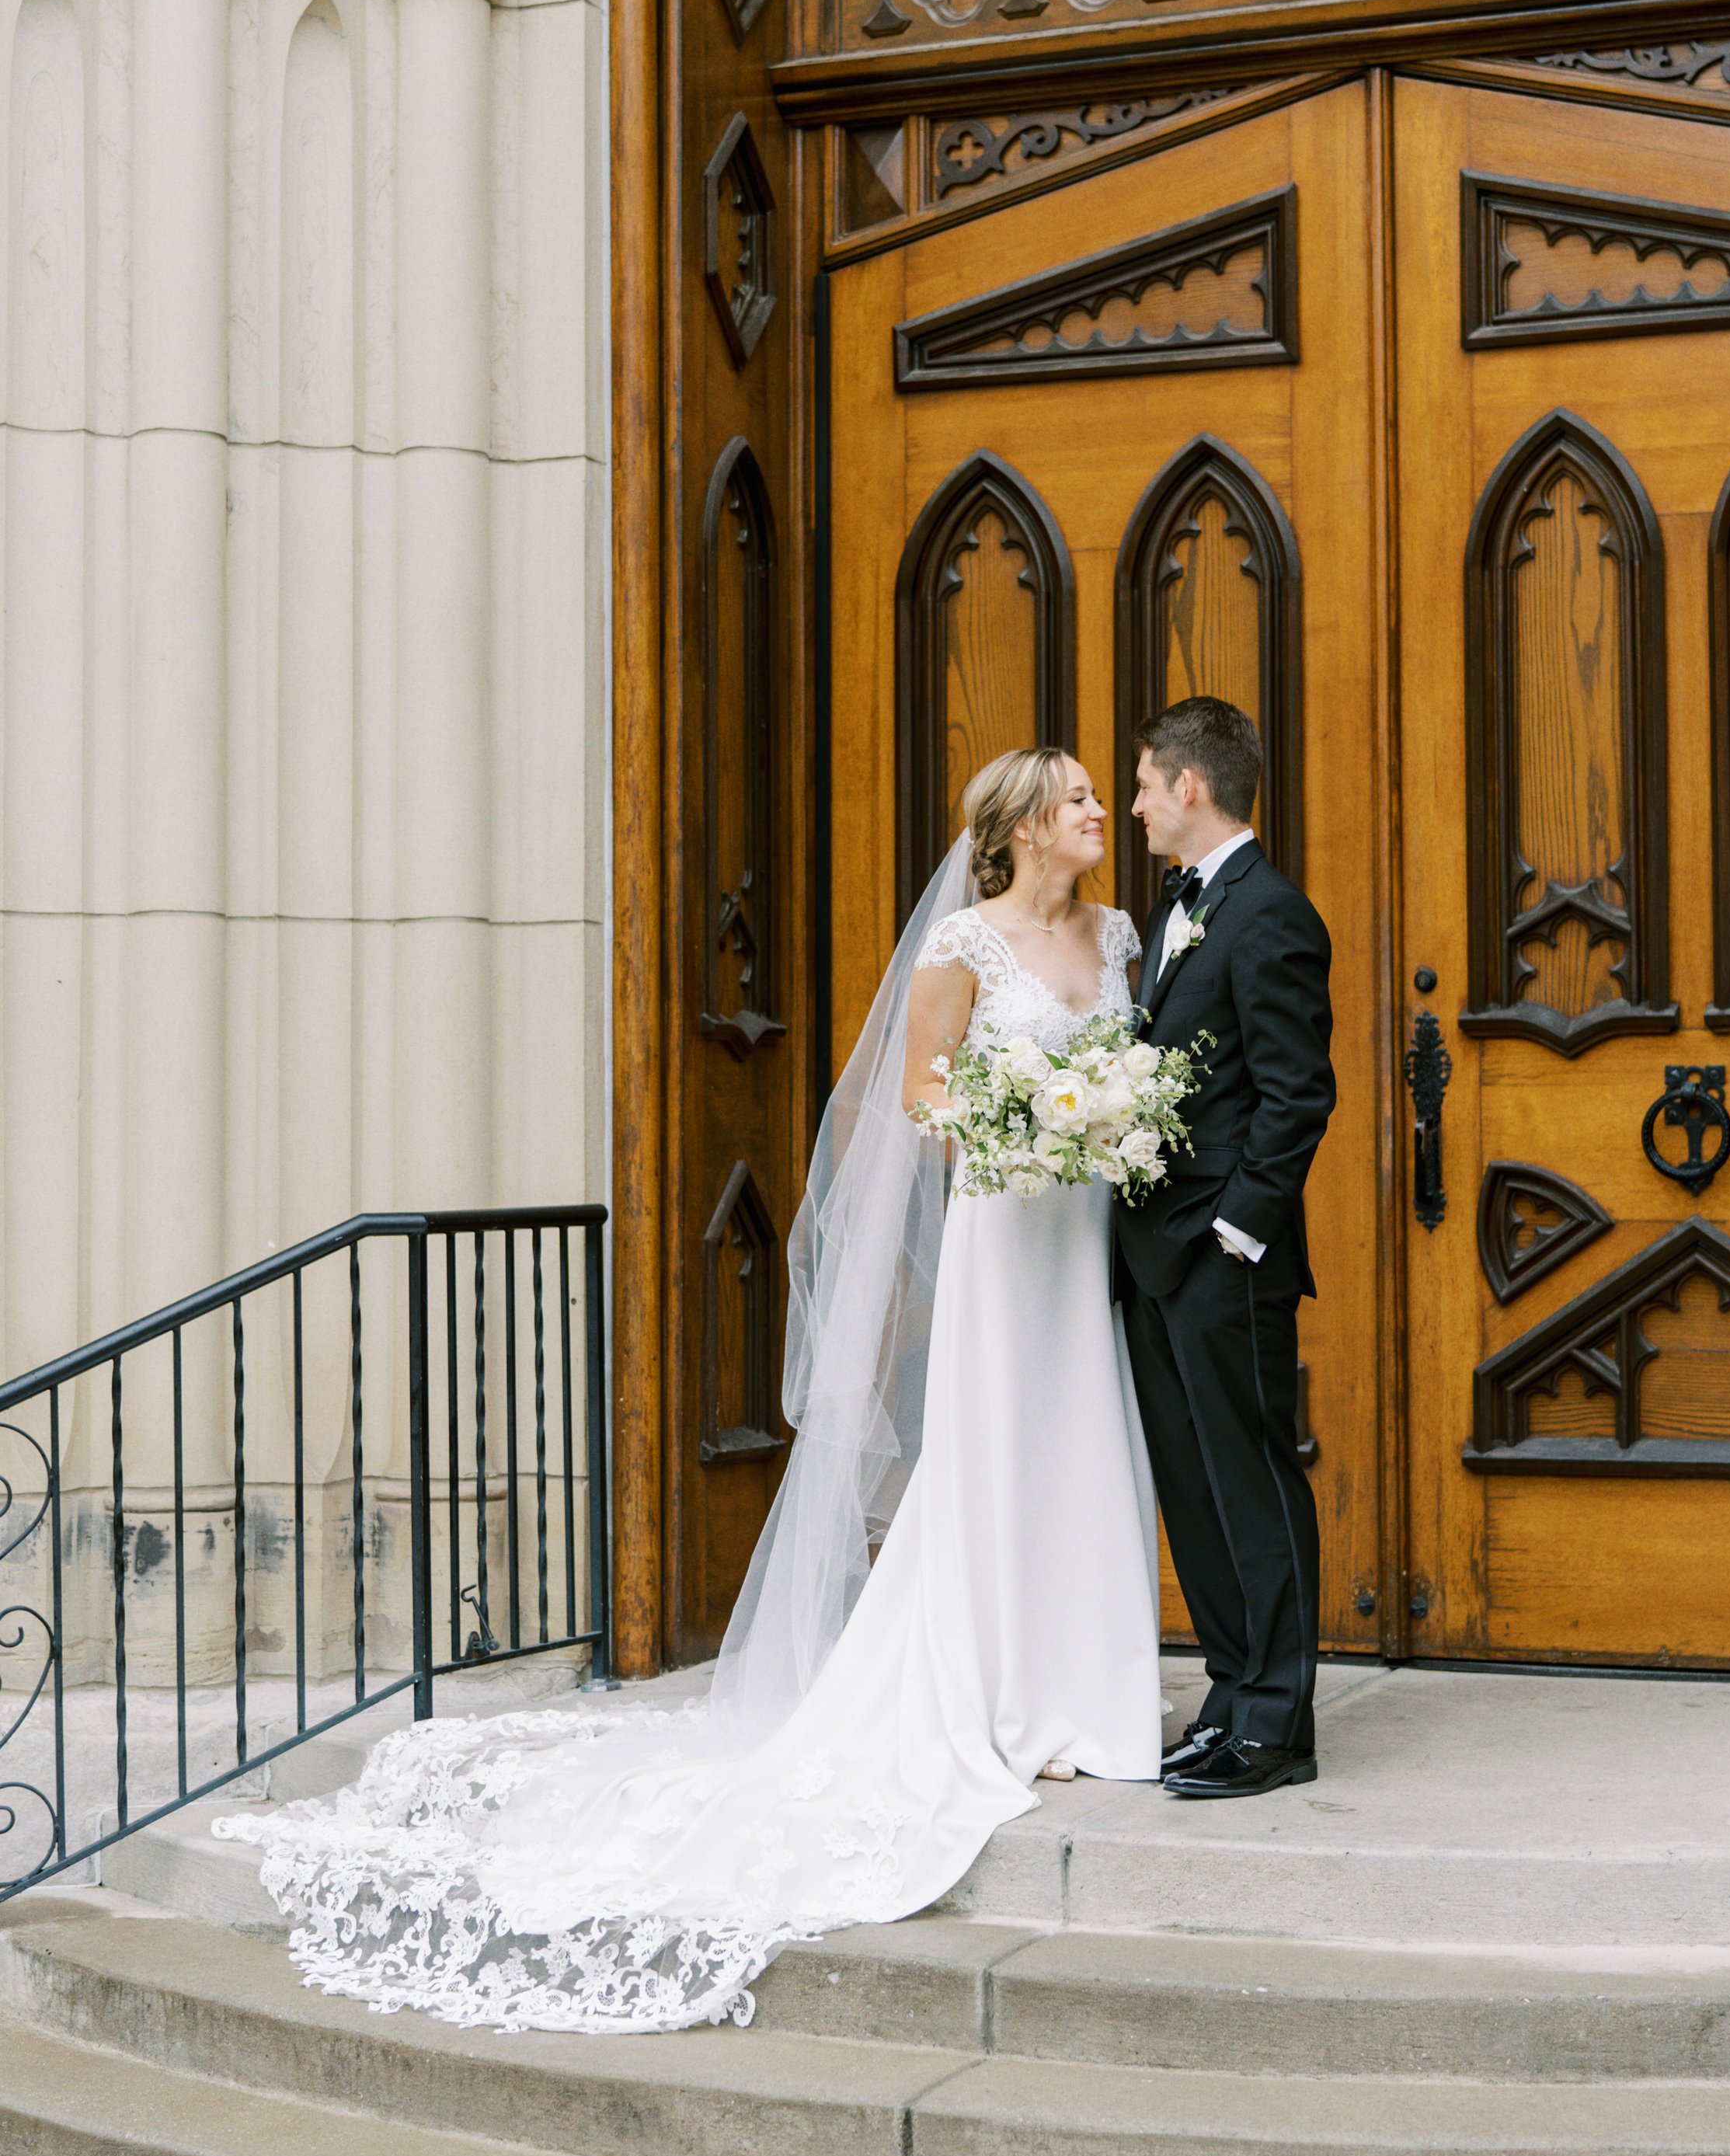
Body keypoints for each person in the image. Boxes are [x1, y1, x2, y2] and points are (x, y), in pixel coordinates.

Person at [215, 747, 1162, 2033]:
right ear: (1018, 826)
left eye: (1104, 796)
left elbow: (1135, 1071)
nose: (1100, 813)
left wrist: (1098, 1118)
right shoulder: (964, 940)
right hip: (1011, 1225)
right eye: (1077, 800)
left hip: (1084, 1230)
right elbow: (918, 1093)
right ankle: (998, 1691)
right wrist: (1028, 1123)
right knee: (1000, 1447)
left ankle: (1086, 1692)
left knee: (1082, 1440)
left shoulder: (1119, 935)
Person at [1114, 696, 1336, 1801]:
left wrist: (1236, 1236)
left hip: (1223, 1258)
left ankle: (1277, 1727)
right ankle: (1229, 1693)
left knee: (1250, 1480)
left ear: (1189, 788)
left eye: (1147, 785)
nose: (1138, 806)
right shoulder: (1174, 910)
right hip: (1151, 1255)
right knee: (1193, 1488)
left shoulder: (1270, 914)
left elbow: (1298, 1097)